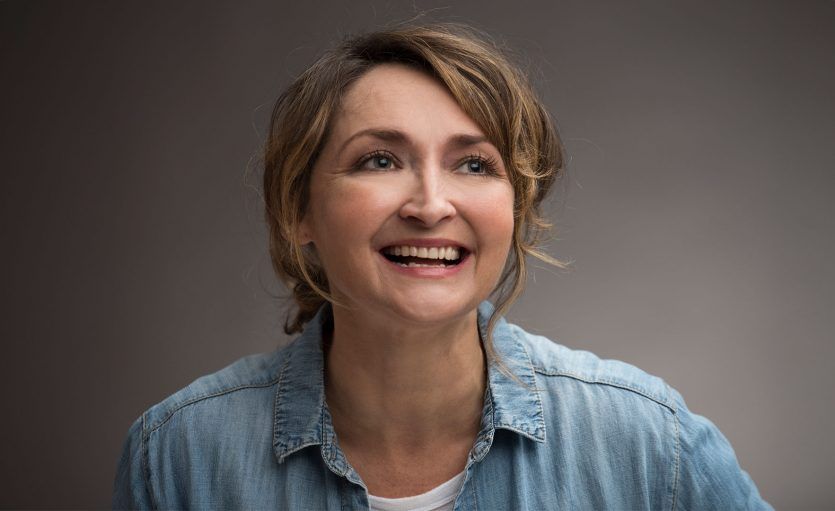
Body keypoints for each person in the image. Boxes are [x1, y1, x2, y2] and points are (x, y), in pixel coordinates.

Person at [113, 22, 772, 510]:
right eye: (379, 159)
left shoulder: (648, 442)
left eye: (474, 164)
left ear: (515, 210)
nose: (430, 204)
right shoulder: (178, 455)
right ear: (297, 211)